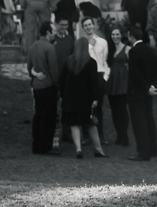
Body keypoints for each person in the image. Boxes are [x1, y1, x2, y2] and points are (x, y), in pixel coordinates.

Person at [62, 17, 107, 159]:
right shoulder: (91, 62)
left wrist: (63, 93)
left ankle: (78, 149)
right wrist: (95, 97)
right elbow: (93, 82)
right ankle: (98, 149)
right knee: (90, 124)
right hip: (85, 98)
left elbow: (61, 79)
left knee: (75, 124)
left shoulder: (69, 61)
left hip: (71, 98)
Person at [126, 24, 157, 161]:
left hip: (137, 92)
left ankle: (143, 152)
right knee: (149, 120)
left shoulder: (133, 52)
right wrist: (152, 86)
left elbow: (135, 74)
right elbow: (156, 71)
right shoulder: (150, 50)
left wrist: (146, 87)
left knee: (139, 122)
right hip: (148, 92)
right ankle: (152, 149)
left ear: (131, 36)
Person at [28, 21, 62, 155]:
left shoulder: (33, 46)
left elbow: (28, 67)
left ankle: (36, 145)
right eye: (53, 30)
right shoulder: (49, 48)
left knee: (38, 116)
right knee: (49, 118)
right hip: (48, 86)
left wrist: (35, 74)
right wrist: (58, 85)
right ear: (48, 32)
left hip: (37, 86)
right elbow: (53, 69)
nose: (54, 33)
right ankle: (46, 146)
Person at [52, 16, 78, 146]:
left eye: (66, 25)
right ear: (56, 24)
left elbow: (73, 58)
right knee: (54, 107)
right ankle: (54, 135)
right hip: (54, 78)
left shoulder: (70, 40)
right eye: (61, 25)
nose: (63, 28)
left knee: (67, 107)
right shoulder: (52, 40)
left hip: (67, 78)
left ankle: (67, 134)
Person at [104, 26, 131, 146]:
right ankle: (119, 135)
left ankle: (124, 135)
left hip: (123, 81)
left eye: (117, 34)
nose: (115, 37)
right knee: (114, 110)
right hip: (111, 81)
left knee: (122, 109)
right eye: (113, 35)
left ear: (121, 35)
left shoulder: (127, 49)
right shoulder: (108, 49)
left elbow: (132, 66)